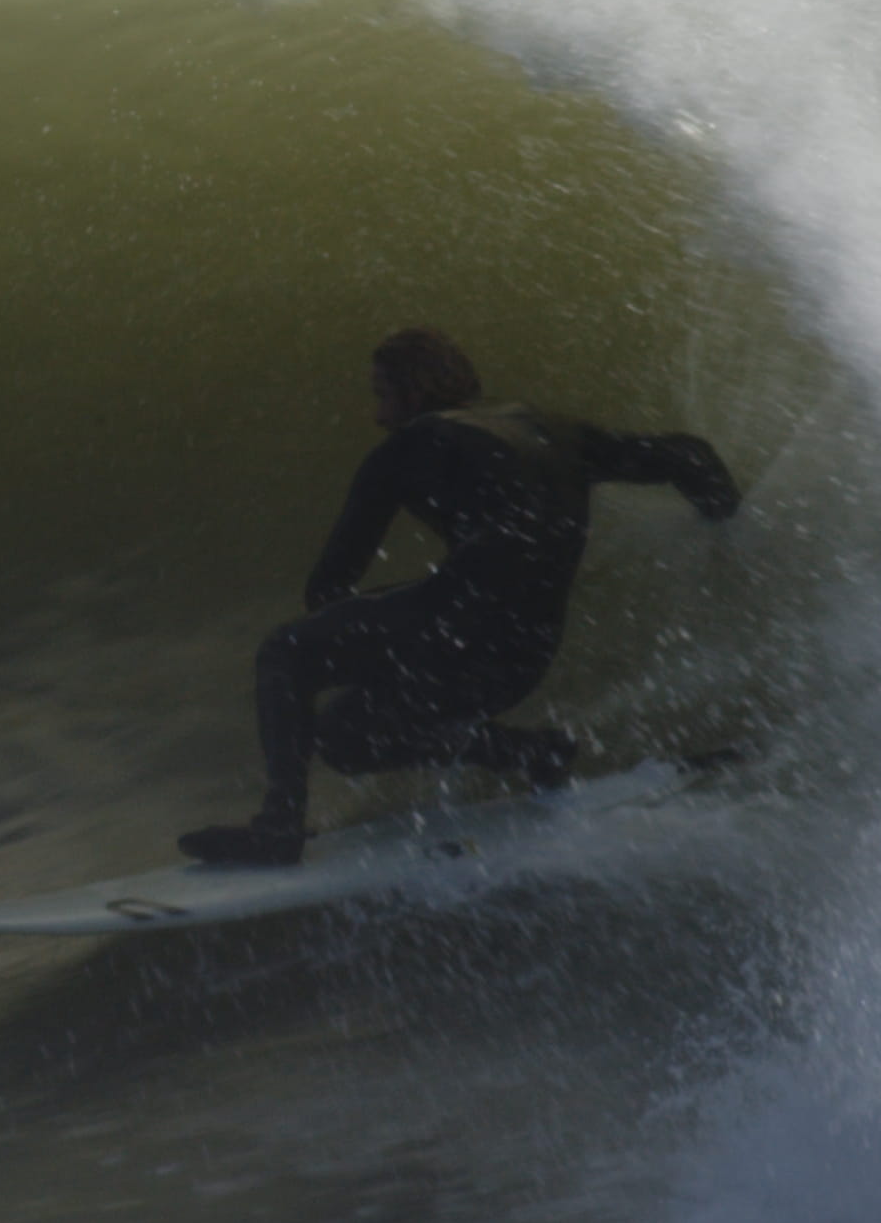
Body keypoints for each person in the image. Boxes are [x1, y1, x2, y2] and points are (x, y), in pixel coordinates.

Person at [181, 326, 739, 867]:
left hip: (458, 641)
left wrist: (374, 659)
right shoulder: (556, 430)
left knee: (285, 653)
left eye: (382, 395)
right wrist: (726, 521)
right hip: (525, 656)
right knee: (342, 737)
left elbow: (328, 588)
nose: (379, 415)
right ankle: (532, 752)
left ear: (413, 391)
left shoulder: (411, 445)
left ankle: (279, 828)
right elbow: (689, 456)